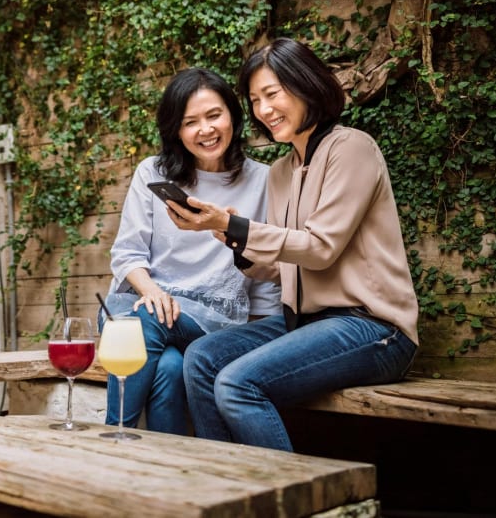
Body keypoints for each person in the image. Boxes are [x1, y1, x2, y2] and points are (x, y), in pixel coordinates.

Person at [166, 38, 419, 451]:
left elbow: (321, 248)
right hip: (302, 322)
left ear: (305, 86)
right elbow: (284, 265)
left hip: (374, 328)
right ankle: (227, 489)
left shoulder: (352, 148)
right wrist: (233, 238)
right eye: (255, 100)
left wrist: (239, 225)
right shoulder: (281, 171)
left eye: (273, 94)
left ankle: (292, 498)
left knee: (237, 383)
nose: (264, 110)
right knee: (202, 358)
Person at [101, 68, 280, 435]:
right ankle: (175, 473)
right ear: (176, 131)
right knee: (166, 365)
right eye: (190, 122)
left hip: (212, 321)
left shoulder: (264, 180)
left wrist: (261, 336)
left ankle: (112, 438)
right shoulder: (152, 173)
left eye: (214, 115)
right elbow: (127, 255)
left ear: (233, 114)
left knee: (134, 321)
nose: (206, 130)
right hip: (149, 306)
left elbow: (267, 269)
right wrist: (153, 292)